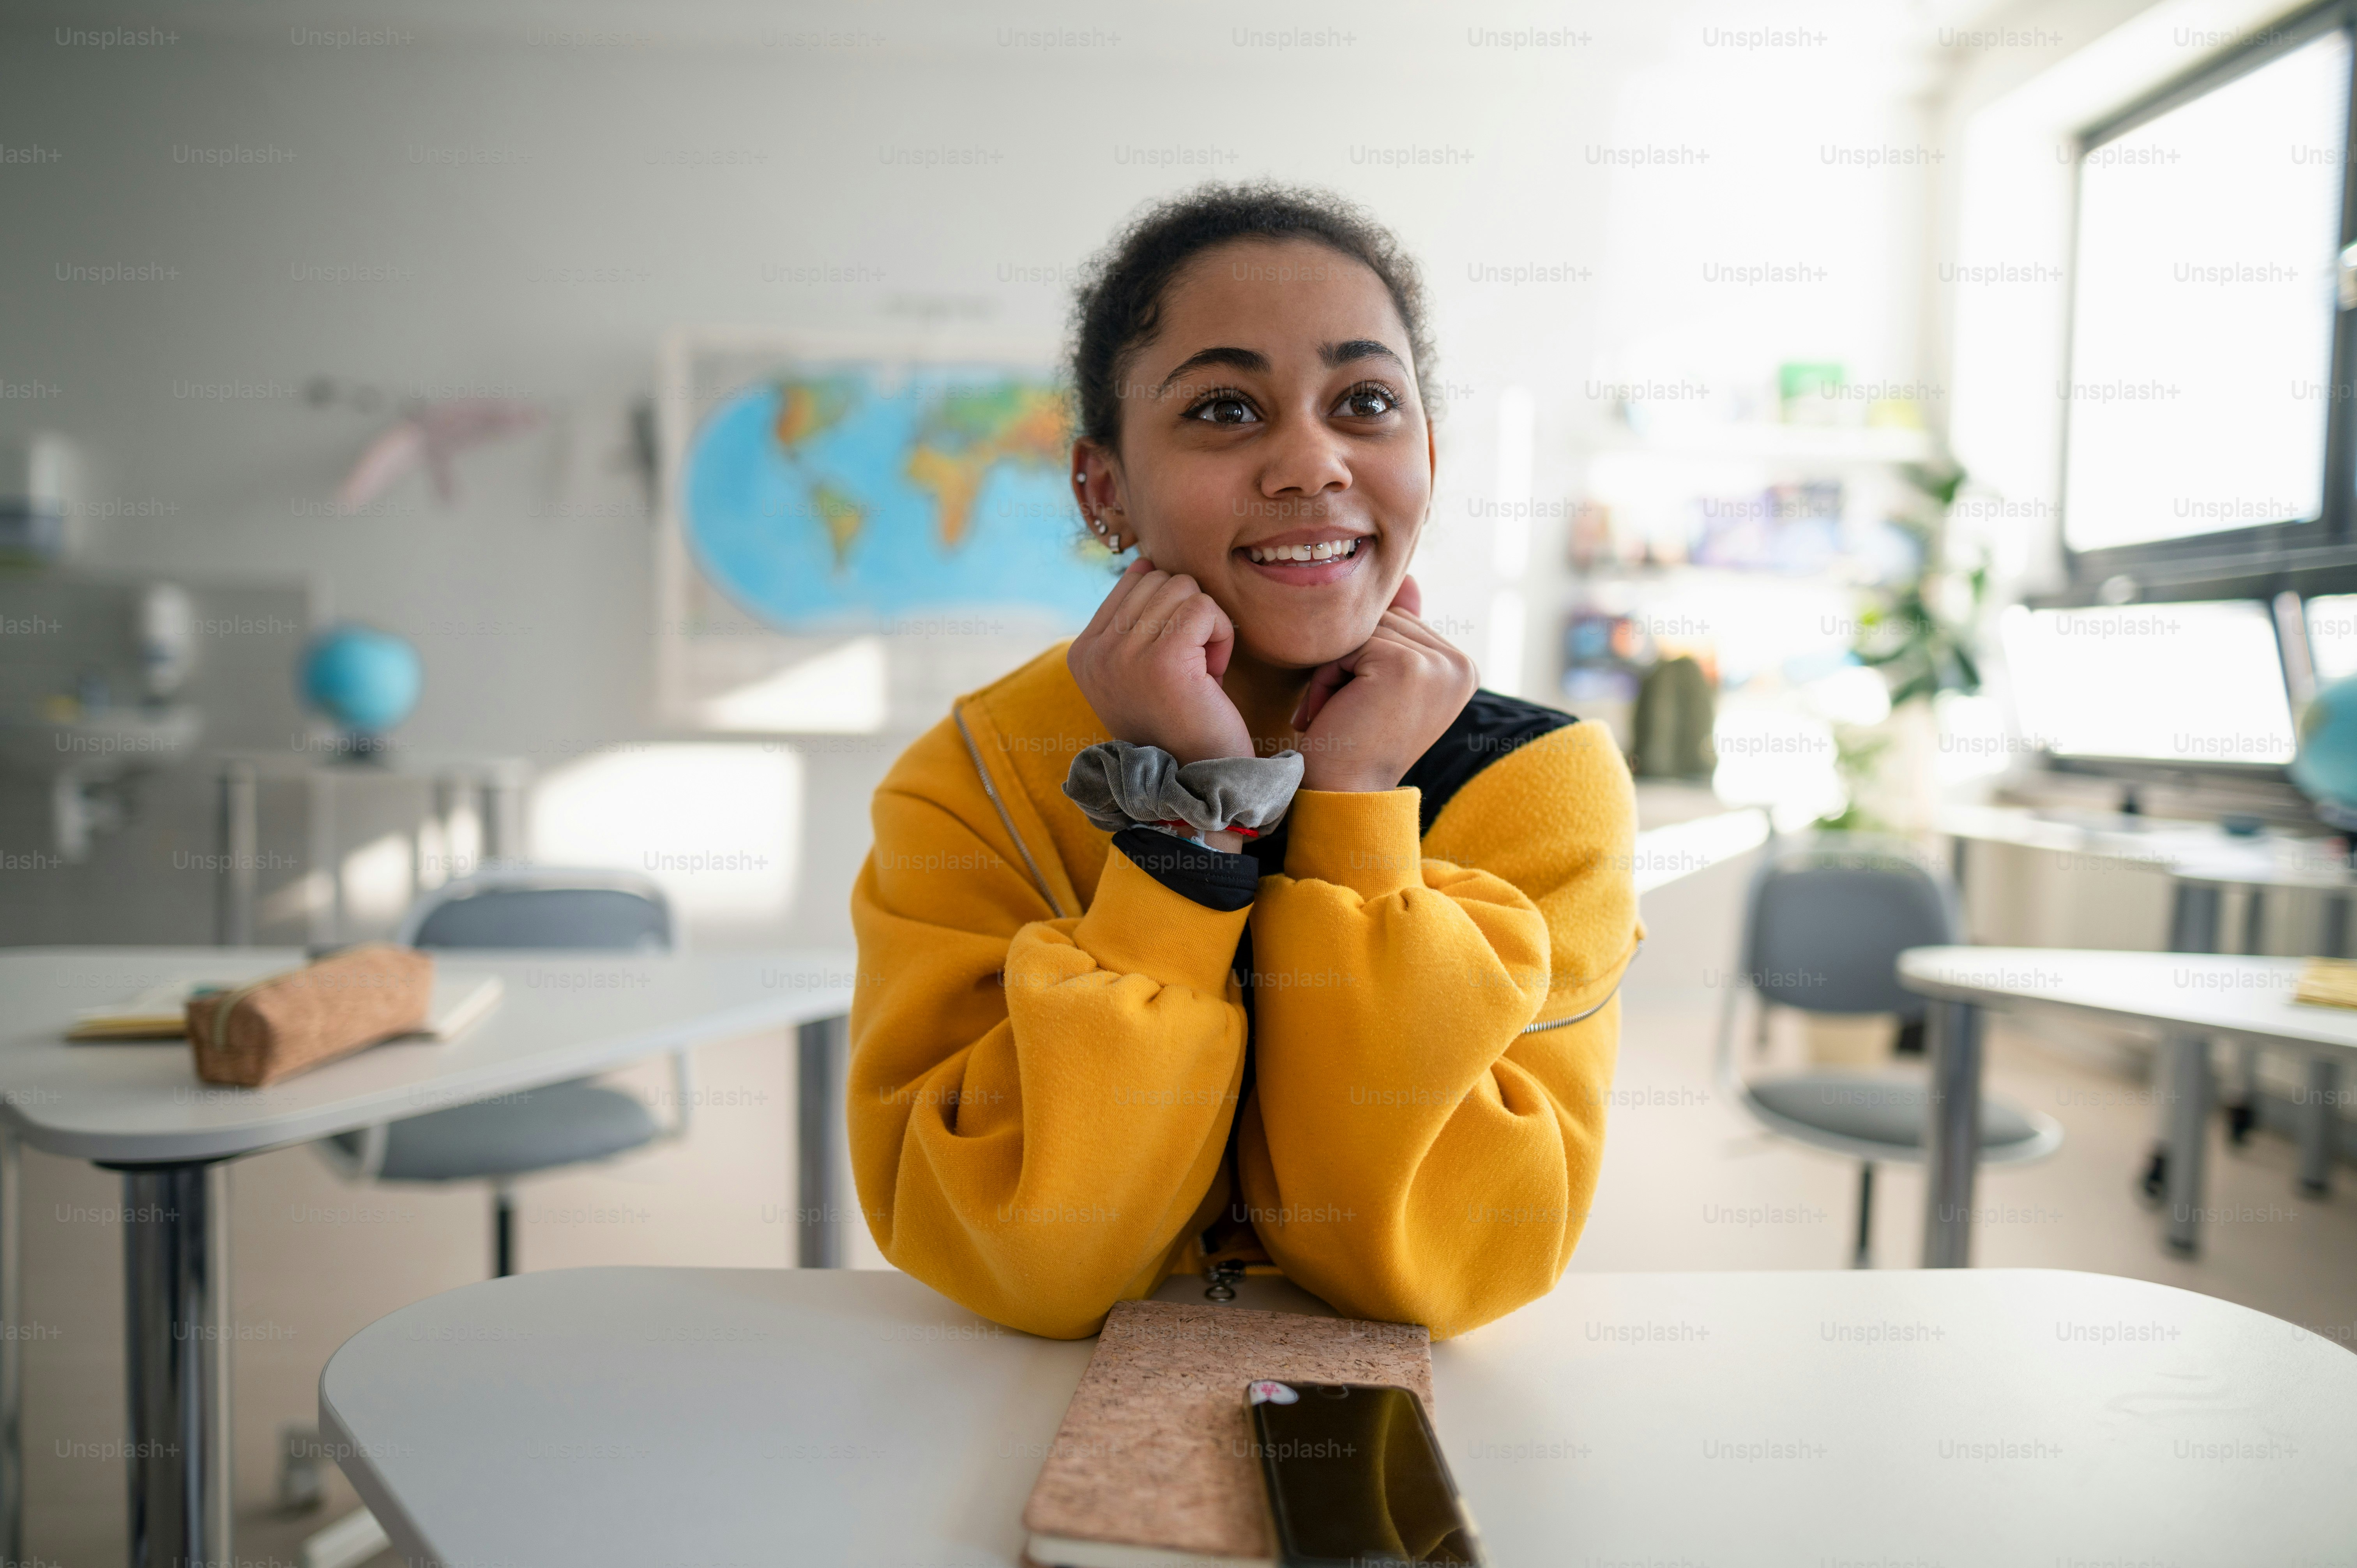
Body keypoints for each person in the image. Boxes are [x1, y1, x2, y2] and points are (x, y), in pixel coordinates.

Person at [848, 183, 1639, 1340]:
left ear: (1426, 451)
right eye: (1225, 409)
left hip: (1429, 1448)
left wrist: (1356, 808)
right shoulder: (972, 781)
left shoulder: (1542, 783)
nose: (1311, 463)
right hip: (1010, 1415)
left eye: (1366, 402)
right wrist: (1191, 834)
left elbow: (1454, 1266)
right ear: (1103, 487)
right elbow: (1022, 1258)